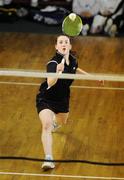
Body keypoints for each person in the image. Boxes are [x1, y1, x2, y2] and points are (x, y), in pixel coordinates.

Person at [36, 35, 99, 170]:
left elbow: (76, 69)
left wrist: (93, 77)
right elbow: (50, 82)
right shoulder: (53, 63)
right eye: (60, 42)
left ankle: (54, 123)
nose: (63, 44)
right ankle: (48, 158)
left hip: (63, 99)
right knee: (46, 126)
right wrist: (58, 72)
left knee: (62, 121)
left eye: (66, 42)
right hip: (46, 98)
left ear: (69, 46)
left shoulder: (73, 60)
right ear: (57, 47)